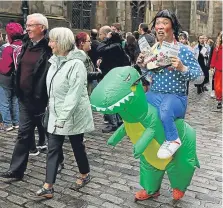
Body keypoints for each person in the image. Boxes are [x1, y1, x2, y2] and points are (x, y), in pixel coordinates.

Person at [35, 27, 94, 198]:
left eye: (52, 40)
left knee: (77, 147)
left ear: (61, 43)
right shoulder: (54, 62)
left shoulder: (76, 65)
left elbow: (73, 95)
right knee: (53, 148)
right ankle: (48, 186)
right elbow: (52, 90)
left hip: (73, 115)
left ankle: (85, 174)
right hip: (56, 114)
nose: (50, 44)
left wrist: (62, 117)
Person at [137, 9, 203, 159]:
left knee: (165, 110)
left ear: (173, 27)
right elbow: (149, 77)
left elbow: (200, 78)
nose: (160, 26)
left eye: (165, 23)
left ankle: (173, 139)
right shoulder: (153, 50)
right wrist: (142, 66)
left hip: (176, 98)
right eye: (158, 23)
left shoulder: (184, 50)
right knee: (139, 101)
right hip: (155, 94)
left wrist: (182, 68)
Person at [0, 13, 51, 180]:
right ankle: (16, 169)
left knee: (50, 134)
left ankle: (58, 160)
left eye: (31, 25)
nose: (27, 28)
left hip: (41, 100)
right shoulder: (26, 43)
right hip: (24, 98)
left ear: (41, 28)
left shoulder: (50, 47)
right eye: (26, 25)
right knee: (23, 133)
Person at [97, 26, 130, 133]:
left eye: (101, 35)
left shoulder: (114, 46)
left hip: (112, 76)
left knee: (108, 98)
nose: (100, 37)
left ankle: (113, 123)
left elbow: (99, 49)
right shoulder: (116, 46)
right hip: (114, 75)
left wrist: (107, 38)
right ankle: (119, 121)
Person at [0, 23, 22, 131]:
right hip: (18, 78)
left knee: (4, 101)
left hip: (6, 79)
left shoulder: (8, 49)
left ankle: (7, 124)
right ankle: (16, 122)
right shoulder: (23, 46)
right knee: (15, 100)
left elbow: (4, 69)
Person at [210, 31, 222, 109]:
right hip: (219, 69)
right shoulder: (217, 47)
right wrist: (212, 66)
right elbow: (214, 57)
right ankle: (219, 100)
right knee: (218, 86)